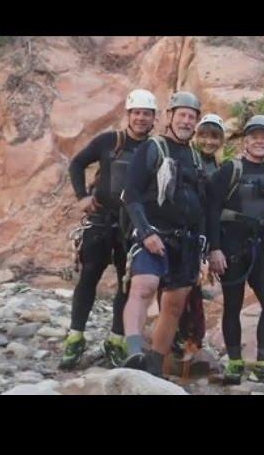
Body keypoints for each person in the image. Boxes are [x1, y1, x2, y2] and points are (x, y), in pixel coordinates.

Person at [60, 89, 157, 369]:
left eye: (146, 114)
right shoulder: (109, 141)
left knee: (126, 284)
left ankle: (116, 340)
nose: (141, 118)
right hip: (101, 221)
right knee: (89, 276)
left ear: (154, 119)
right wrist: (82, 197)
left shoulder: (155, 148)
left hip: (133, 226)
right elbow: (77, 164)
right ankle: (75, 337)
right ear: (129, 115)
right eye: (136, 112)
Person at [121, 91, 207, 377]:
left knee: (173, 305)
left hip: (186, 242)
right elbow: (130, 195)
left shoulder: (196, 157)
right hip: (153, 234)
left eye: (191, 116)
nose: (186, 120)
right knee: (144, 286)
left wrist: (204, 249)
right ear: (169, 116)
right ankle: (134, 350)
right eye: (181, 114)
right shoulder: (152, 148)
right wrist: (145, 233)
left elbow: (203, 206)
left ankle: (155, 364)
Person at [208, 115, 264, 389]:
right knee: (232, 305)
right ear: (245, 141)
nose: (260, 141)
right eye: (254, 137)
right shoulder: (229, 170)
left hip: (261, 247)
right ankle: (234, 361)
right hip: (231, 247)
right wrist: (214, 249)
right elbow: (211, 210)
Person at [172, 113, 226, 354]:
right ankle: (177, 335)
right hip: (181, 231)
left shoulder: (220, 168)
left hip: (204, 235)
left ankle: (192, 338)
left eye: (215, 137)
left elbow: (216, 208)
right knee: (178, 285)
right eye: (204, 135)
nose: (209, 141)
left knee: (194, 286)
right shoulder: (186, 159)